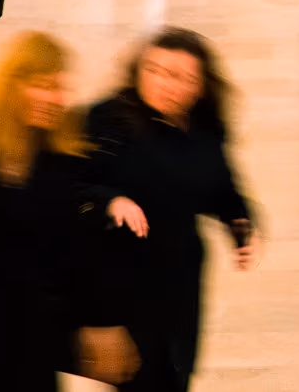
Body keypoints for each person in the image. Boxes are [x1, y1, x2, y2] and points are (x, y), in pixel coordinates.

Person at [0, 30, 143, 389]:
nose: (58, 99)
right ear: (11, 83)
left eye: (62, 88)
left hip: (23, 341)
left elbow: (76, 250)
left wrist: (101, 322)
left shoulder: (56, 160)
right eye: (46, 86)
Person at [85, 28, 256, 392]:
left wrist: (238, 222)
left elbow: (221, 186)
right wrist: (110, 200)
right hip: (124, 280)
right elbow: (70, 183)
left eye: (180, 77)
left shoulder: (203, 129)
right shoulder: (107, 120)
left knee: (178, 374)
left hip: (180, 281)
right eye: (155, 71)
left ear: (199, 85)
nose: (165, 84)